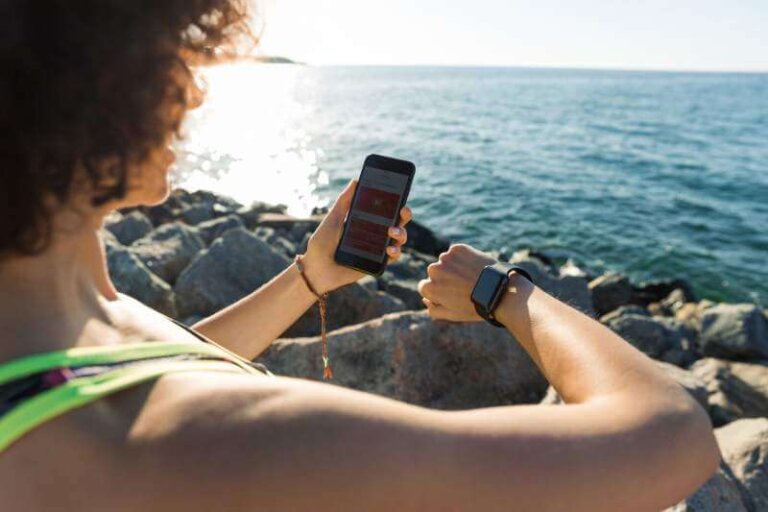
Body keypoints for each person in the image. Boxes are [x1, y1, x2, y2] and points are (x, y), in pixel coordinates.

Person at [0, 1, 719, 510]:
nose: (191, 88)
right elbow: (669, 433)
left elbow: (151, 363)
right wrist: (506, 293)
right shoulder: (217, 445)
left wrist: (312, 275)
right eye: (170, 57)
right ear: (82, 85)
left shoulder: (54, 330)